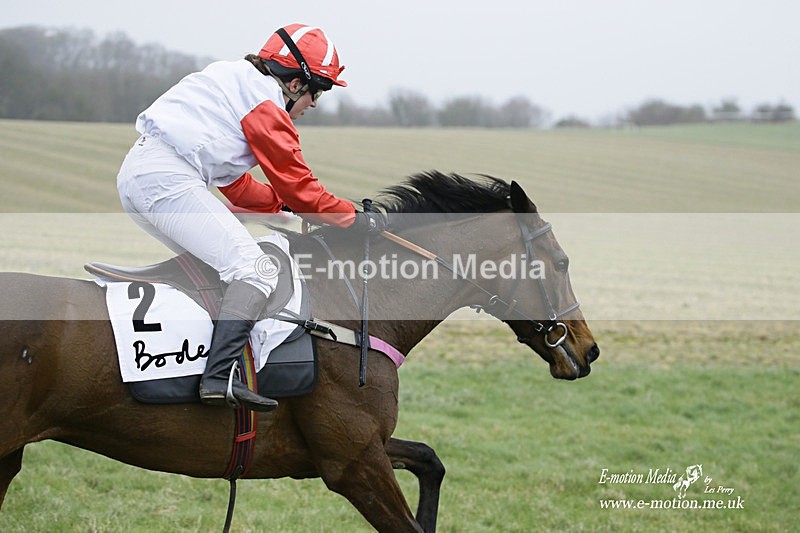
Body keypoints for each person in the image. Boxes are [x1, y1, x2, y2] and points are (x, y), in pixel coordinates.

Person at [116, 23, 385, 412]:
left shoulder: (235, 81)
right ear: (294, 83)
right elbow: (300, 187)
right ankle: (217, 378)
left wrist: (284, 205)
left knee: (223, 269)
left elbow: (239, 187)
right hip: (166, 181)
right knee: (255, 270)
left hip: (145, 176)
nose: (314, 103)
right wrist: (354, 219)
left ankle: (190, 362)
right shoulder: (265, 104)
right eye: (318, 90)